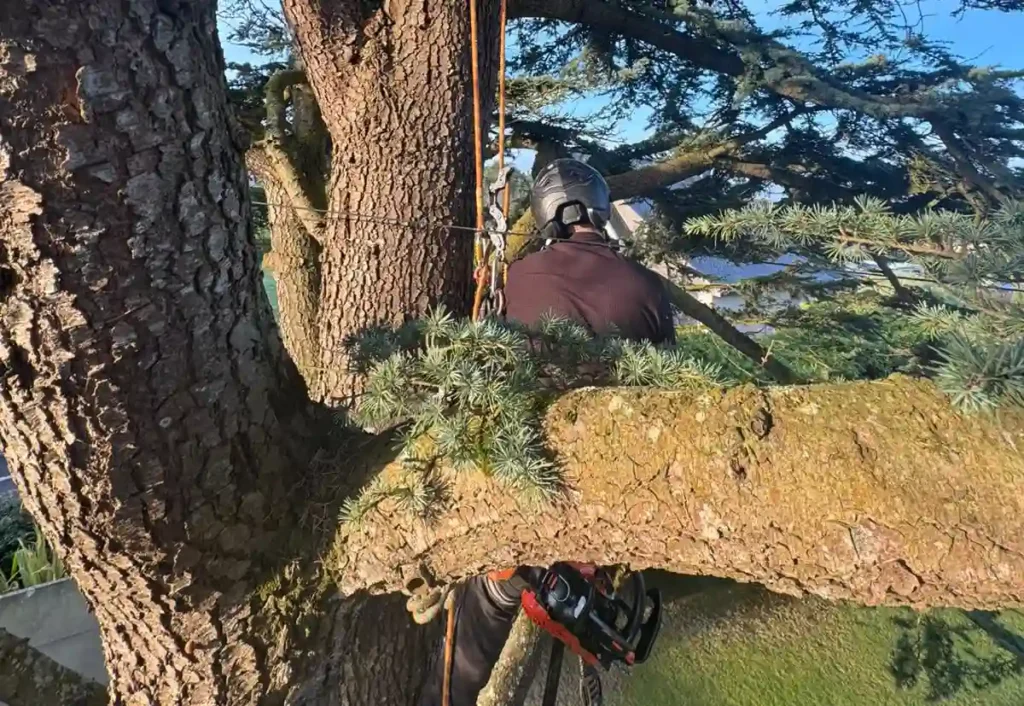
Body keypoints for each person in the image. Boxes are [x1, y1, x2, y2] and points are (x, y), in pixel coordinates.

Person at [418, 159, 675, 706]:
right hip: (615, 490)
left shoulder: (514, 280)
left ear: (544, 216)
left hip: (529, 484)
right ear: (601, 212)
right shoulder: (649, 290)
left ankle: (454, 693)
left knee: (490, 593)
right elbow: (667, 398)